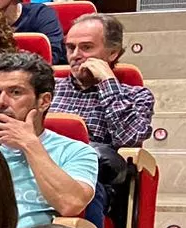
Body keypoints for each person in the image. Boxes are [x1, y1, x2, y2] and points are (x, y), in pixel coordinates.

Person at [0, 52, 97, 228]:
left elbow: (71, 203)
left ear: (44, 101)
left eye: (15, 92)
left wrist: (29, 144)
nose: (1, 102)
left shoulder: (76, 151)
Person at [53, 13, 154, 162]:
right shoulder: (48, 87)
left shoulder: (137, 96)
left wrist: (108, 82)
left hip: (91, 170)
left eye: (86, 47)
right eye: (70, 48)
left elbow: (129, 139)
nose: (75, 55)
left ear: (113, 53)